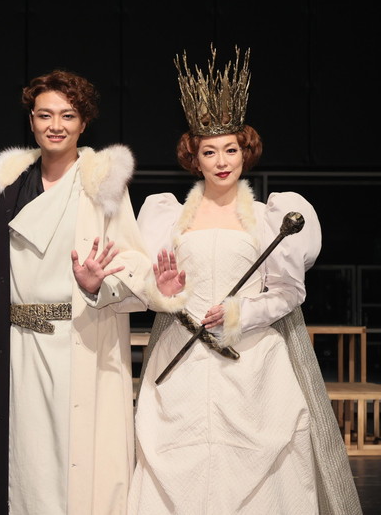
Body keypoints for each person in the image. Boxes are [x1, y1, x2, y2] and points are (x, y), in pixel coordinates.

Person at [128, 47, 362, 514]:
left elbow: (289, 291)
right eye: (209, 151)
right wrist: (164, 295)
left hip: (252, 361)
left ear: (245, 152)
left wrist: (241, 312)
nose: (221, 161)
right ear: (194, 158)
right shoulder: (166, 217)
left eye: (230, 150)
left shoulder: (271, 216)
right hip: (182, 356)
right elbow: (152, 290)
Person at [0, 70, 151, 514]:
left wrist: (98, 283)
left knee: (75, 457)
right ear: (31, 120)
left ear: (83, 123)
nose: (55, 125)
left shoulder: (102, 182)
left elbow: (136, 263)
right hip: (19, 346)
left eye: (68, 115)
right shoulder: (11, 184)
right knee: (25, 459)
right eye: (45, 115)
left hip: (80, 339)